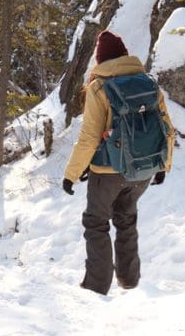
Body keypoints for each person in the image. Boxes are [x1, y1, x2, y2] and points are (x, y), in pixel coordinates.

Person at [62, 30, 174, 294]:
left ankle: (96, 286)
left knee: (96, 221)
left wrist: (71, 174)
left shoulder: (99, 87)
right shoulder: (149, 83)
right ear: (124, 55)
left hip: (108, 172)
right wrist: (162, 165)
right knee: (126, 218)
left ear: (100, 60)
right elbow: (167, 128)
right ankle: (129, 280)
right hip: (143, 169)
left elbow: (89, 137)